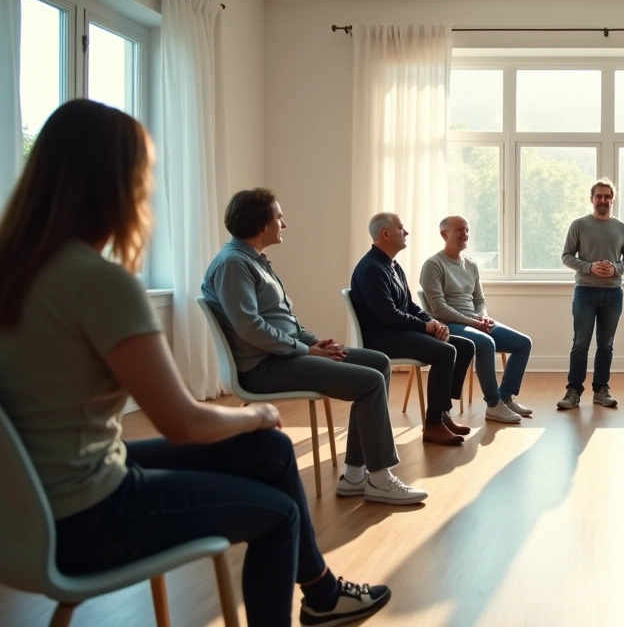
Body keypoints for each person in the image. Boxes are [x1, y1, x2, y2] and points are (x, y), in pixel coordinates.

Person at [0, 99, 391, 627]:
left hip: (24, 513)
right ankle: (320, 597)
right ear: (120, 187)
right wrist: (255, 414)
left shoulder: (19, 271)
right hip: (84, 517)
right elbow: (183, 423)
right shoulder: (100, 283)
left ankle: (322, 597)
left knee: (273, 453)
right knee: (278, 514)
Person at [202, 191, 426, 507]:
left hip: (284, 354)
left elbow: (285, 320)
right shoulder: (233, 264)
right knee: (370, 382)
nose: (284, 223)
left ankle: (354, 474)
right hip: (263, 367)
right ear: (260, 222)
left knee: (377, 363)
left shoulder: (253, 260)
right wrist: (303, 350)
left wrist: (311, 342)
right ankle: (379, 478)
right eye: (278, 217)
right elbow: (249, 327)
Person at [351, 212, 476, 445]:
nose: (406, 232)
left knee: (465, 346)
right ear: (385, 234)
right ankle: (433, 425)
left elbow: (409, 306)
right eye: (401, 228)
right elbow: (388, 315)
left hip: (398, 331)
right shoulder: (371, 269)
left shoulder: (392, 266)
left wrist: (435, 323)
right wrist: (426, 327)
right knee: (446, 352)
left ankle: (441, 413)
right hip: (382, 337)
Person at [420, 215, 533, 424]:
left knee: (523, 343)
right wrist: (474, 323)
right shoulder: (433, 265)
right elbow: (439, 308)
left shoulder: (470, 265)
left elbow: (479, 299)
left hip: (475, 321)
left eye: (467, 230)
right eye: (459, 230)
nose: (465, 235)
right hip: (450, 325)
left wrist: (483, 317)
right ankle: (493, 404)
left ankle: (505, 397)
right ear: (444, 234)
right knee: (485, 342)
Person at [557, 178, 624, 410]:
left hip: (613, 294)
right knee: (580, 343)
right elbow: (566, 256)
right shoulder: (579, 225)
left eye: (607, 196)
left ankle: (601, 389)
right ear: (591, 199)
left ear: (613, 199)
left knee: (606, 344)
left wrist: (616, 268)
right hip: (584, 292)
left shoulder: (622, 228)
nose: (602, 200)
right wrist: (589, 267)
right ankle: (573, 391)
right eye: (598, 196)